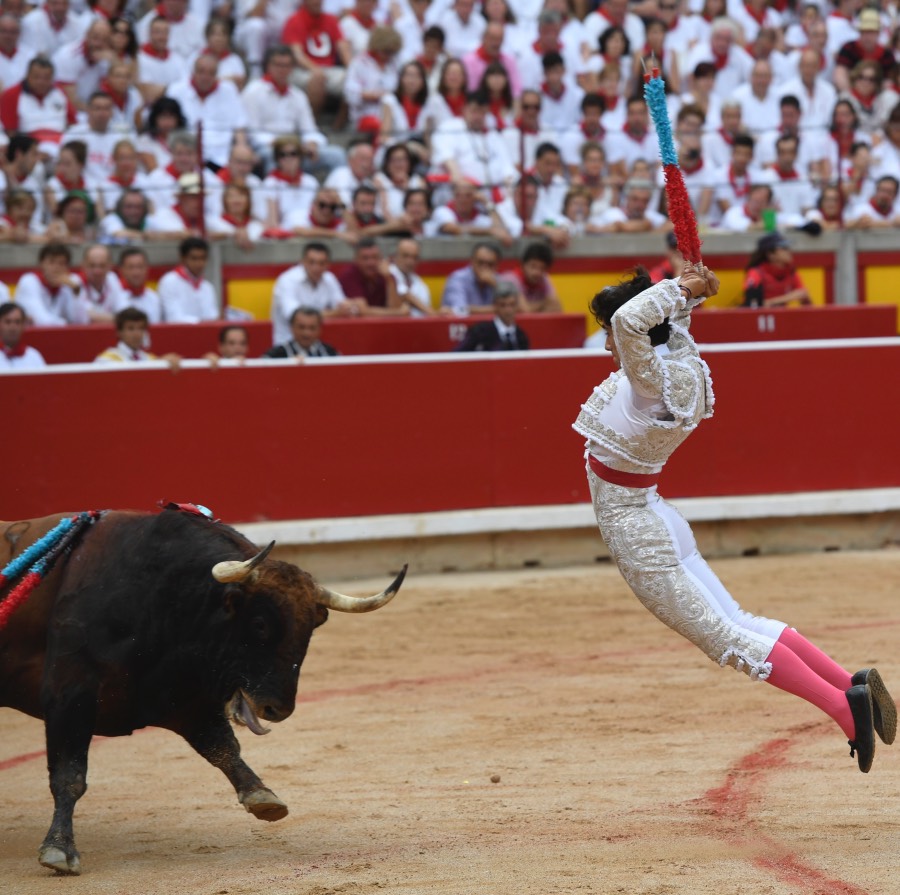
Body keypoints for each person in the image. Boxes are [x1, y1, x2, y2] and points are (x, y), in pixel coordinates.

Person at [573, 261, 895, 774]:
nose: (609, 346)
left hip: (639, 531)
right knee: (738, 620)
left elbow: (628, 324)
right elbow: (655, 325)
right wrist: (691, 294)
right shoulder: (678, 361)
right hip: (659, 518)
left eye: (608, 336)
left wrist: (681, 288)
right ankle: (847, 681)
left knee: (725, 637)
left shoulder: (646, 381)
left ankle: (844, 707)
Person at [270, 241, 361, 344]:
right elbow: (297, 317)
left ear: (328, 264)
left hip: (318, 346)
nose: (316, 268)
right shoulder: (287, 280)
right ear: (303, 262)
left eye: (321, 263)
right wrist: (336, 313)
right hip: (286, 344)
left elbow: (344, 306)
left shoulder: (329, 278)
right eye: (311, 262)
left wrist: (352, 307)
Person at [14, 242, 89, 326]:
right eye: (51, 262)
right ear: (41, 264)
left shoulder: (71, 283)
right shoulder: (29, 281)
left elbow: (81, 321)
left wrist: (75, 291)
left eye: (61, 263)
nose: (56, 268)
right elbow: (42, 321)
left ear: (67, 268)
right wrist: (67, 324)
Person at [157, 236, 219, 322]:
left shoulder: (208, 287)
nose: (199, 263)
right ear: (182, 258)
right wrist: (203, 322)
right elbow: (173, 319)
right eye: (194, 258)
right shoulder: (169, 282)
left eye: (203, 258)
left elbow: (212, 318)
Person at [94, 306, 180, 368]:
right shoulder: (105, 360)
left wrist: (163, 363)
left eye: (141, 328)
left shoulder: (150, 359)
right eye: (131, 328)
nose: (137, 333)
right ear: (119, 332)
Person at [455, 280, 529, 351]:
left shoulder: (520, 336)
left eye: (512, 305)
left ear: (517, 306)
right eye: (503, 305)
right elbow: (457, 356)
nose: (508, 310)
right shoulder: (480, 332)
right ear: (495, 305)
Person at [743, 232, 811, 308]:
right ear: (770, 254)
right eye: (784, 248)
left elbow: (805, 300)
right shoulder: (756, 273)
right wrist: (788, 297)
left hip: (783, 317)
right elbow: (752, 305)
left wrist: (804, 298)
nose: (789, 251)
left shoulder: (790, 271)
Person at [441, 241, 502, 315]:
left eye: (490, 264)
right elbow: (459, 311)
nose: (484, 268)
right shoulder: (458, 279)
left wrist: (496, 285)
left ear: (497, 266)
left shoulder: (497, 280)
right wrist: (499, 309)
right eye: (480, 263)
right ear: (472, 261)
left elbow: (517, 306)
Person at [501, 242, 562, 313]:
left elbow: (557, 308)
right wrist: (543, 304)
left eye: (542, 268)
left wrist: (537, 307)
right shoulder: (510, 280)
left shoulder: (545, 278)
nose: (537, 272)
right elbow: (525, 311)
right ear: (522, 265)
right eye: (533, 266)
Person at [264, 306, 339, 358]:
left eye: (312, 328)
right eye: (301, 327)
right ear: (291, 328)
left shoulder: (330, 353)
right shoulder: (276, 355)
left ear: (320, 329)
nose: (306, 333)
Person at [0, 301, 46, 370]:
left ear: (24, 326)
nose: (13, 327)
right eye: (8, 322)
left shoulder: (33, 356)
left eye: (17, 322)